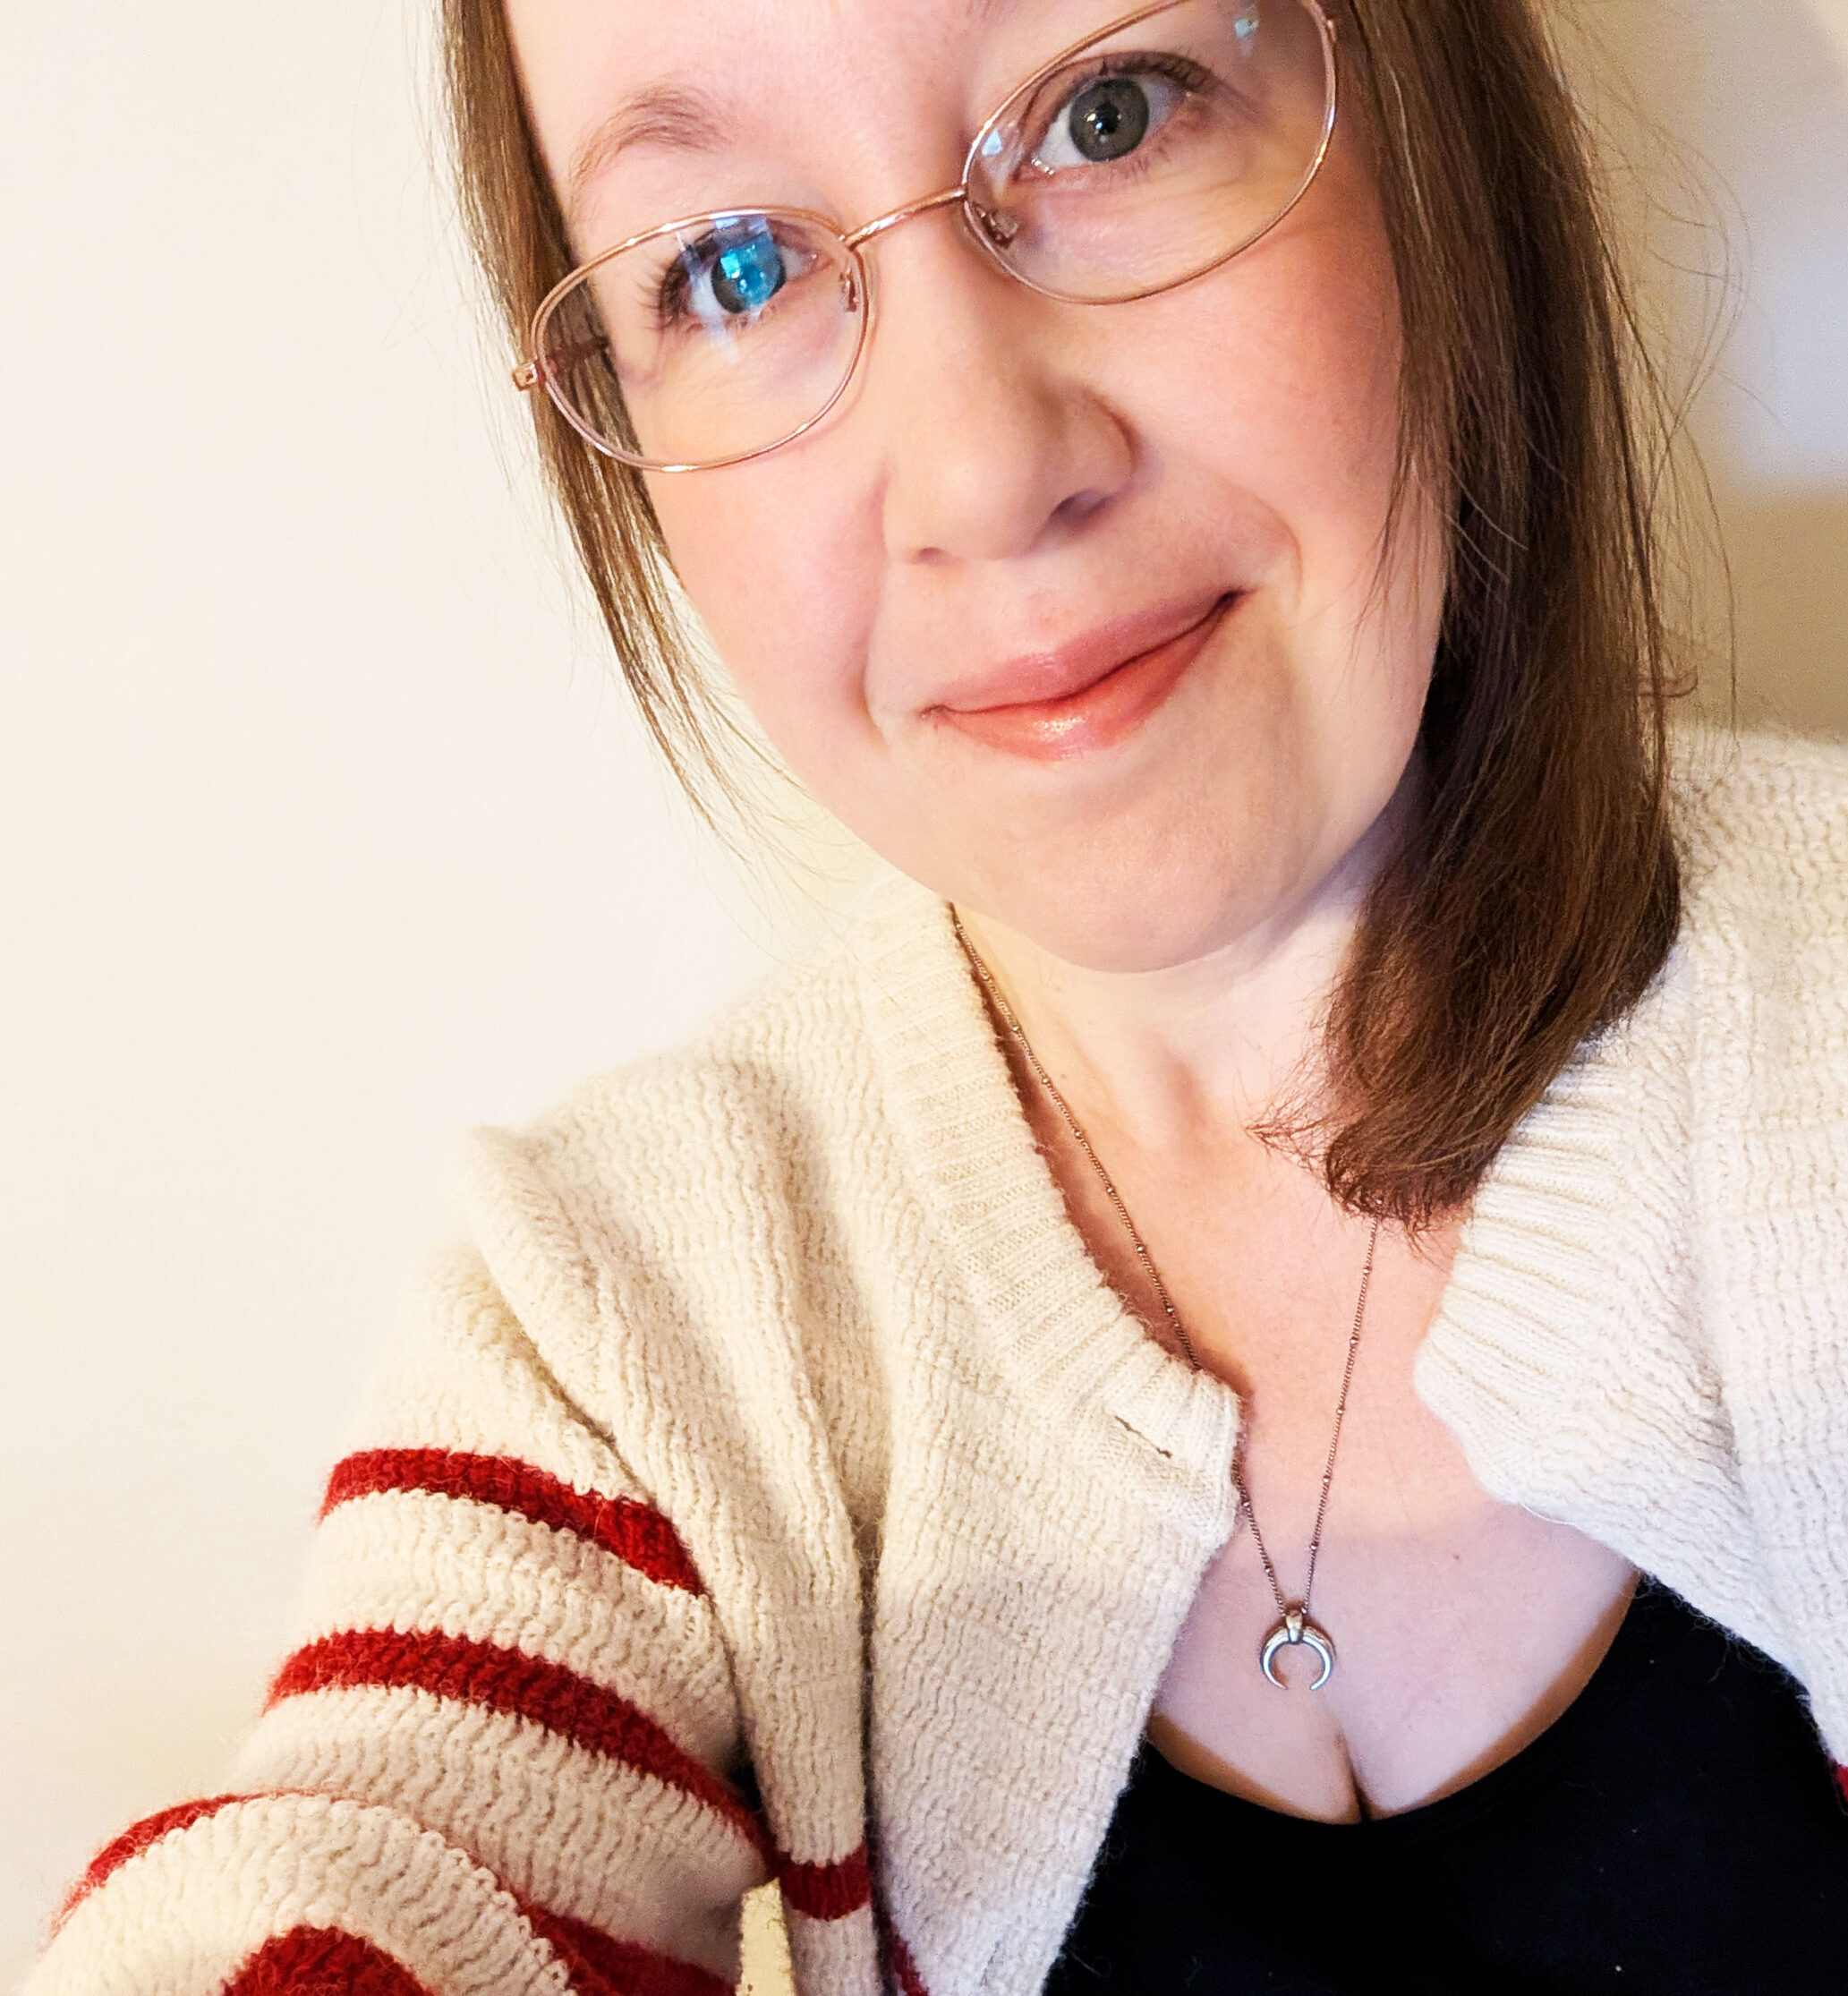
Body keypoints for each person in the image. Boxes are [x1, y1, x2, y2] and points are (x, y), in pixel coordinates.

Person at [27, 1, 1848, 1992]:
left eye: (1112, 113)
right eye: (731, 267)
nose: (982, 474)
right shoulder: (615, 1339)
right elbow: (378, 1856)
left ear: (1427, 128)